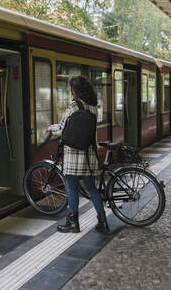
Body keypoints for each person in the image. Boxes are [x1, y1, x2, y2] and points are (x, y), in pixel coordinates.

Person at [48, 76, 109, 234]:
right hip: (89, 153)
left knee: (71, 188)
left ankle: (73, 223)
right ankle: (102, 221)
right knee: (92, 188)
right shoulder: (93, 106)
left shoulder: (74, 105)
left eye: (71, 89)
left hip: (73, 154)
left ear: (75, 90)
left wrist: (50, 128)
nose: (71, 92)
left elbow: (62, 128)